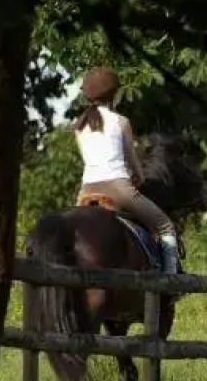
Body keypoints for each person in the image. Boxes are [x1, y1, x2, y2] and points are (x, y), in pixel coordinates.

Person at [72, 67, 182, 274]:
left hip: (86, 191)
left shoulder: (78, 127)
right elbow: (133, 162)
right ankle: (171, 279)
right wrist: (138, 177)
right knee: (165, 226)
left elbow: (89, 160)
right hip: (118, 188)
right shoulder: (121, 122)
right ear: (114, 95)